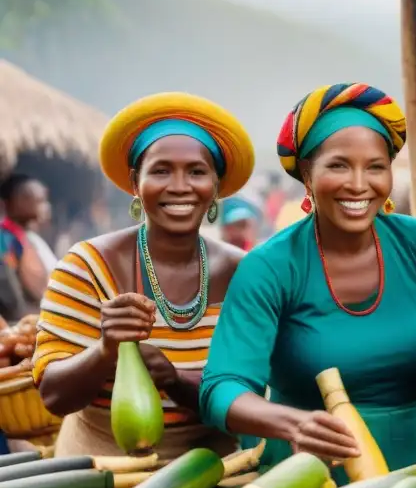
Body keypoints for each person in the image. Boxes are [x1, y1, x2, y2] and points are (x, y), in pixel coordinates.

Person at [199, 83, 416, 476]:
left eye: (375, 166)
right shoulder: (271, 267)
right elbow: (221, 389)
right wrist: (292, 423)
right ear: (307, 174)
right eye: (339, 165)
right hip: (307, 481)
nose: (359, 184)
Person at [33, 93, 256, 459]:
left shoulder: (245, 273)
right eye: (161, 170)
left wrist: (175, 380)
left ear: (215, 187)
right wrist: (105, 350)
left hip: (219, 473)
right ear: (136, 183)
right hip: (103, 474)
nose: (180, 186)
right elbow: (53, 397)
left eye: (197, 172)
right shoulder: (86, 267)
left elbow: (252, 393)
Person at [0, 174, 53, 319]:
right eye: (38, 200)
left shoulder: (25, 237)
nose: (45, 206)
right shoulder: (5, 238)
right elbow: (7, 293)